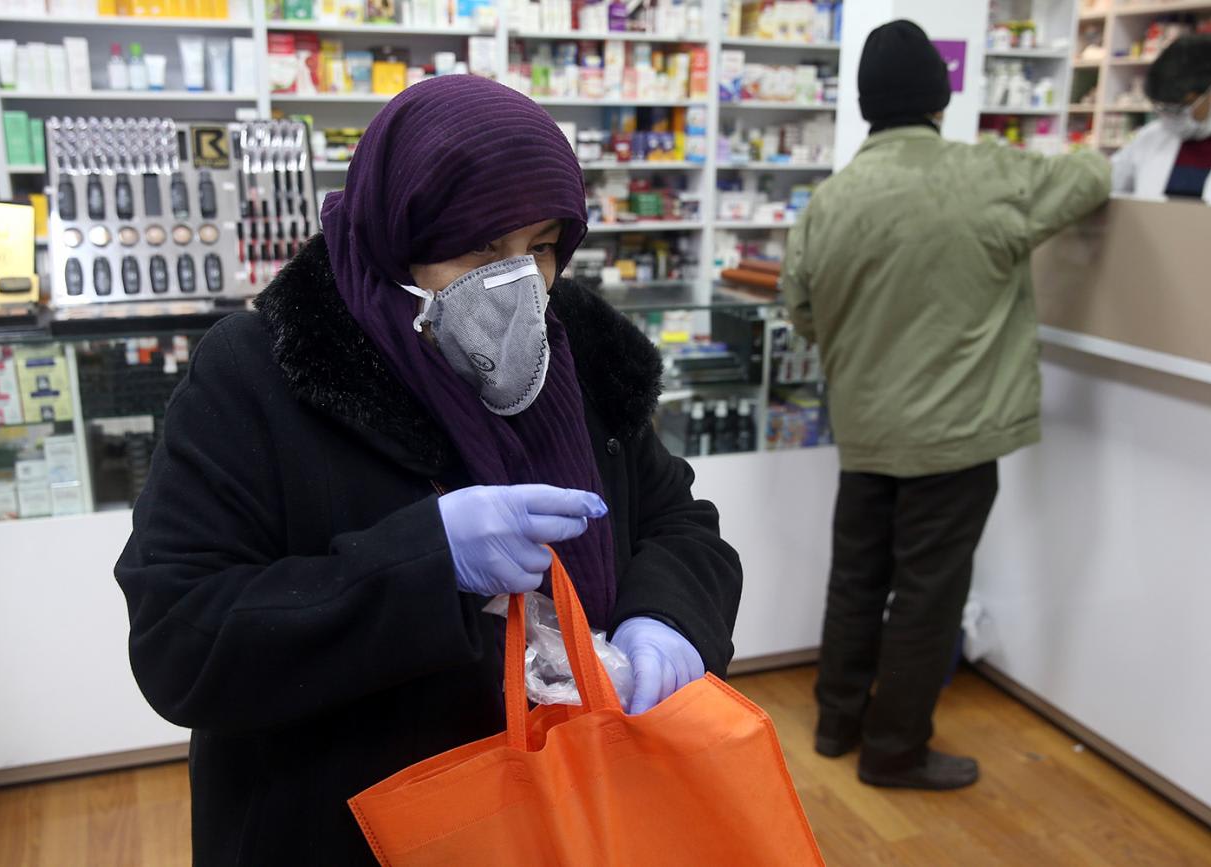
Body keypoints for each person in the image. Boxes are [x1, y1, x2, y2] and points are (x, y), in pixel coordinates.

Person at [115, 76, 743, 866]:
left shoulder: (583, 352)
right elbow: (180, 638)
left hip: (568, 814)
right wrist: (425, 563)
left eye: (542, 245)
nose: (520, 281)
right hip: (345, 829)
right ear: (396, 233)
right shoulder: (258, 374)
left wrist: (668, 615)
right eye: (481, 247)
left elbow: (678, 520)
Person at [781, 20, 1110, 791]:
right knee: (928, 592)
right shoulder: (986, 172)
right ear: (941, 97)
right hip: (954, 433)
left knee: (856, 577)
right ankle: (895, 750)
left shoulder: (830, 200)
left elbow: (801, 308)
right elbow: (1090, 177)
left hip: (865, 428)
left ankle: (836, 723)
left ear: (864, 103)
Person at [1112, 34, 1211, 206]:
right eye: (1164, 109)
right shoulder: (1150, 137)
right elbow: (1111, 187)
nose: (1171, 118)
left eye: (1181, 108)